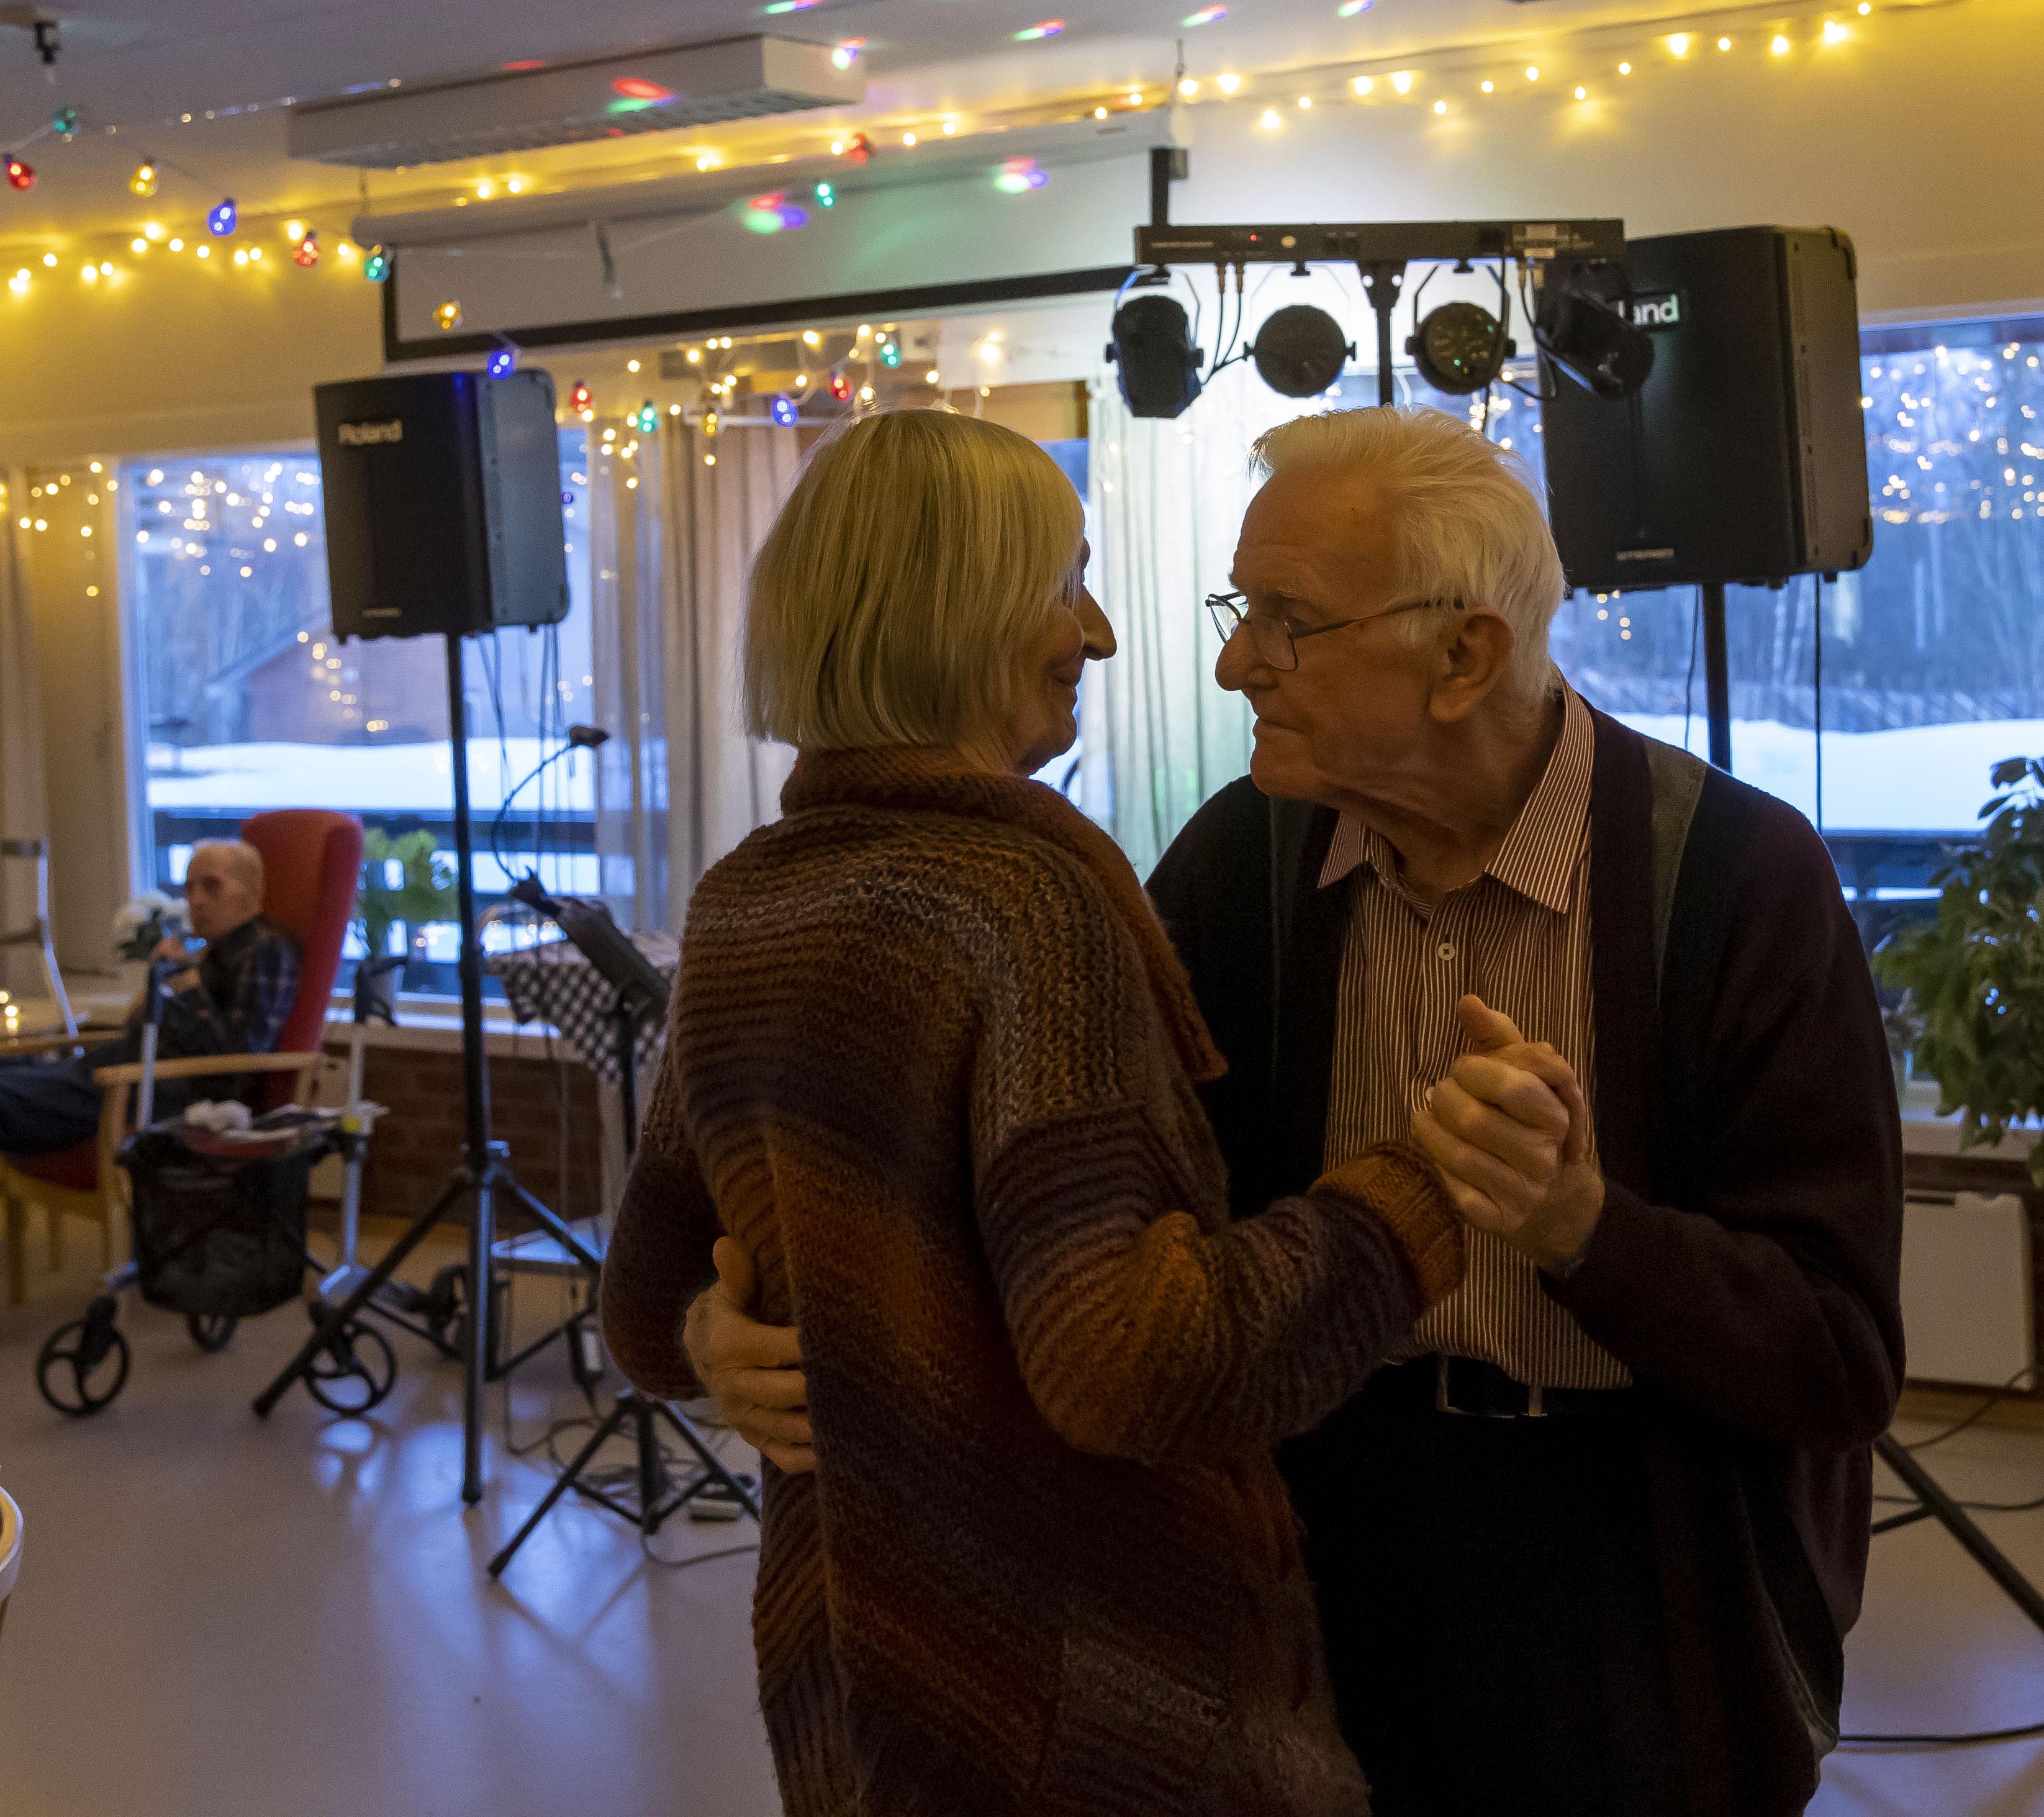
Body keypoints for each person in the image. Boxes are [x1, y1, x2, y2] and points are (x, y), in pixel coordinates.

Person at [683, 406, 1904, 1815]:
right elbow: (1033, 1231)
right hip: (1321, 1550)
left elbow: (1835, 1358)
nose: (1226, 662)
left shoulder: (1734, 884)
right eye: (1237, 606)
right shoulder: (1236, 867)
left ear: (1462, 656)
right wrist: (735, 1329)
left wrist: (1579, 1226)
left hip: (1633, 1567)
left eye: (1286, 621)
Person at [594, 408, 1481, 1817]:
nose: (1102, 633)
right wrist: (1415, 1194)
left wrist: (719, 1337)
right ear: (967, 612)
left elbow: (645, 1316)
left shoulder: (744, 904)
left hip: (861, 1673)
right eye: (1067, 579)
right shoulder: (1024, 909)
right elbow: (1127, 1363)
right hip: (1083, 1706)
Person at [0, 838, 300, 1156]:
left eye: (212, 887)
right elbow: (139, 1027)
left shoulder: (265, 950)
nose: (196, 900)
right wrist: (154, 993)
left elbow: (243, 1053)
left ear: (251, 893)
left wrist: (187, 987)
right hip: (128, 1067)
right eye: (190, 888)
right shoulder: (209, 954)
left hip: (168, 1089)